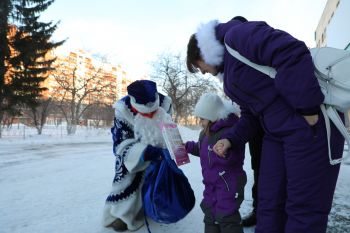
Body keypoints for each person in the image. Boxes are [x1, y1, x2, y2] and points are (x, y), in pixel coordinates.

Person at [186, 17, 345, 233]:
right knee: (269, 202)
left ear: (202, 52)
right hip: (274, 133)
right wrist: (231, 138)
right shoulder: (230, 73)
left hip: (307, 127)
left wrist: (308, 108)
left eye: (199, 67)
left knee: (303, 208)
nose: (204, 72)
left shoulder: (237, 35)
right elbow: (251, 114)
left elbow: (291, 51)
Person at [101, 80, 172, 232]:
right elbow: (120, 143)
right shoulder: (122, 110)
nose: (150, 114)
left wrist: (170, 147)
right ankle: (121, 214)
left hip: (160, 148)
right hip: (135, 151)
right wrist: (143, 151)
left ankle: (154, 206)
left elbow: (169, 128)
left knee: (163, 173)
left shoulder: (165, 104)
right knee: (126, 172)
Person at [185, 92, 246, 233]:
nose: (200, 122)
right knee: (210, 215)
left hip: (228, 185)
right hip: (211, 186)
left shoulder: (230, 132)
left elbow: (235, 155)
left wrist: (225, 153)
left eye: (202, 119)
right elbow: (202, 149)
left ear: (212, 117)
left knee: (227, 218)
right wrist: (187, 147)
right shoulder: (205, 134)